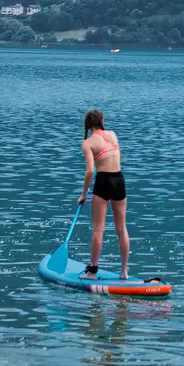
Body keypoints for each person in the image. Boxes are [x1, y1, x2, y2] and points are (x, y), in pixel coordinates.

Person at [78, 109, 131, 279]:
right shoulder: (112, 134)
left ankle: (92, 272)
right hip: (119, 180)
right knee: (121, 229)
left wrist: (83, 194)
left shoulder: (87, 143)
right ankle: (124, 271)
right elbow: (118, 155)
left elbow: (89, 172)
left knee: (98, 229)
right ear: (102, 121)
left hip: (103, 182)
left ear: (87, 124)